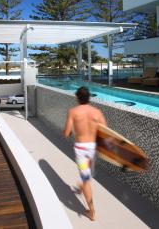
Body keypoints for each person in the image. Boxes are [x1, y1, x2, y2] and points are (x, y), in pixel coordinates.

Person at [63, 86, 107, 221]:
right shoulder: (97, 112)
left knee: (86, 179)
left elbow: (66, 133)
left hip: (81, 150)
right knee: (87, 174)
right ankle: (81, 187)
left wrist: (69, 132)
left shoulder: (73, 112)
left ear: (77, 98)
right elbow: (105, 132)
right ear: (89, 98)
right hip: (92, 149)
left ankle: (91, 211)